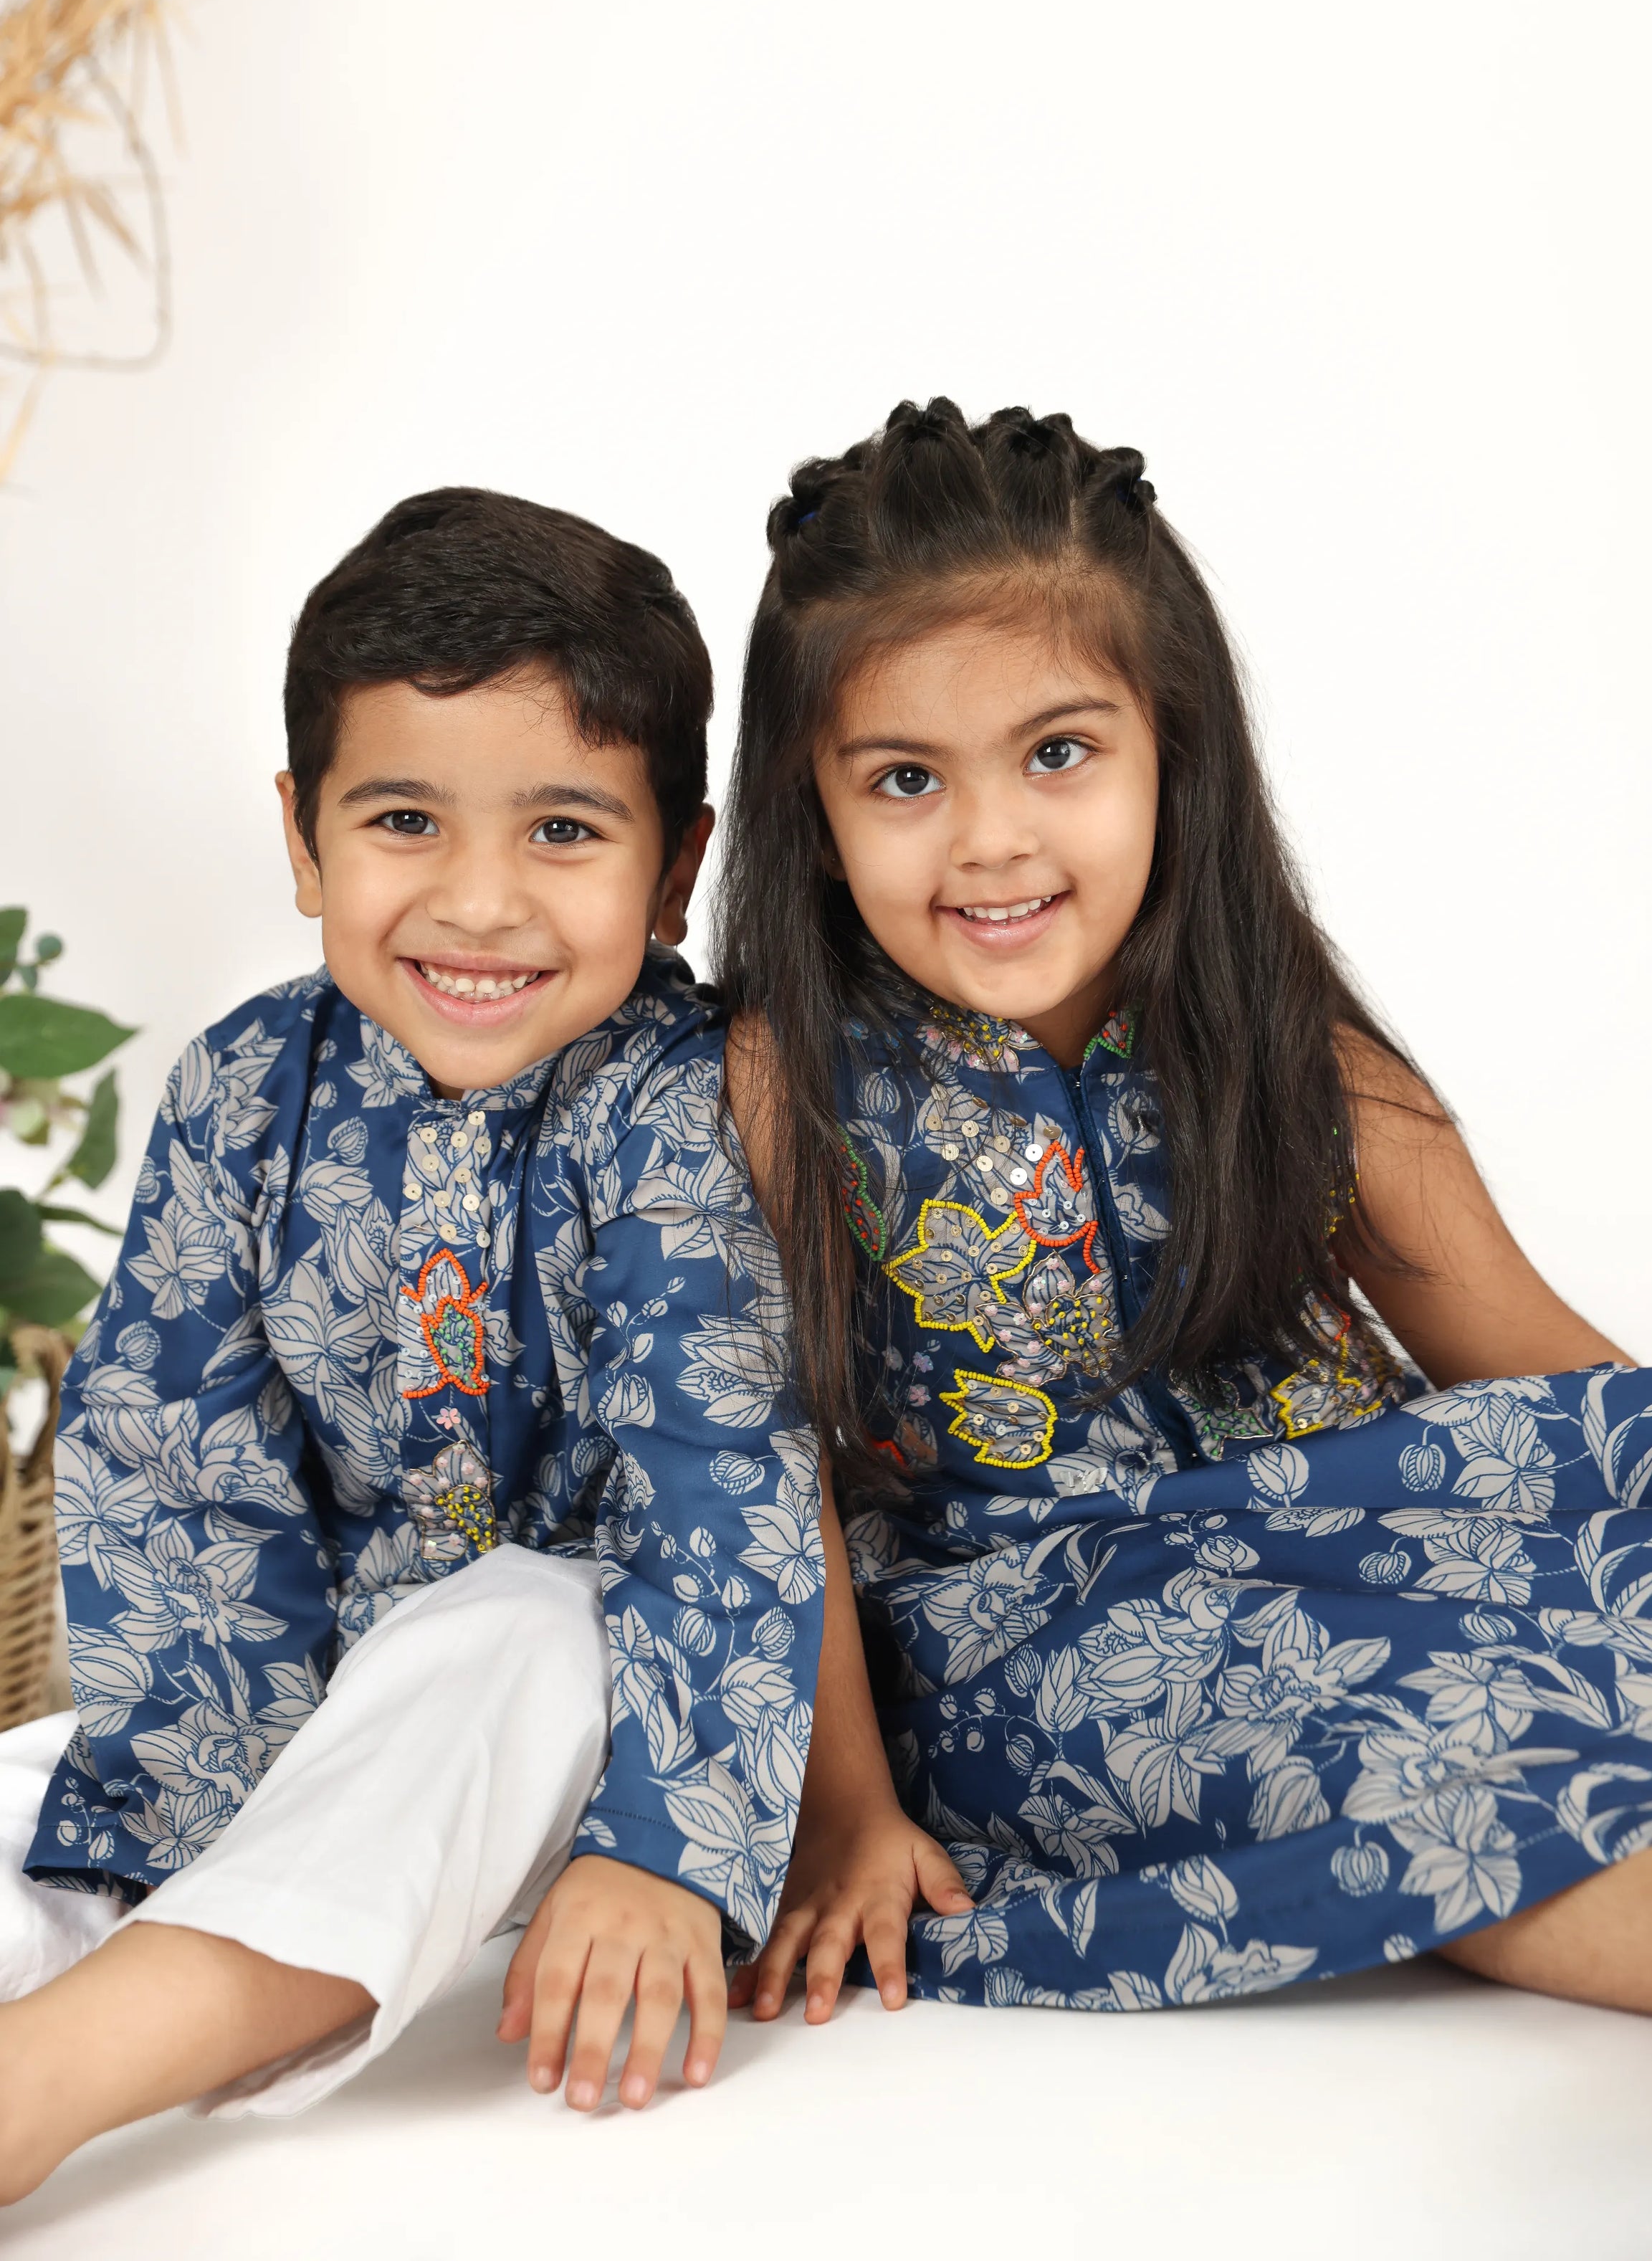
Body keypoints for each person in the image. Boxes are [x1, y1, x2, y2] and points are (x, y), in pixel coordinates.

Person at [713, 396, 1652, 2021]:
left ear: (1173, 747)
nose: (992, 838)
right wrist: (841, 1807)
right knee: (1404, 1736)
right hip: (1045, 1630)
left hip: (1371, 1528)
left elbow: (1564, 1389)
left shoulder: (1300, 1057)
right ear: (813, 803)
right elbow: (752, 1478)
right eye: (905, 779)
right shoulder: (773, 1089)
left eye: (1059, 753)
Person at [0, 488, 822, 2204]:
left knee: (514, 1621)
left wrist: (668, 1853)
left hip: (591, 1697)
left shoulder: (682, 1104)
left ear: (677, 865)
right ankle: (158, 1916)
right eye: (401, 820)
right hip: (300, 1698)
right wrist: (192, 1795)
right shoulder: (244, 1088)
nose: (478, 903)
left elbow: (723, 1489)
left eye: (564, 834)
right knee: (36, 1786)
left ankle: (51, 2084)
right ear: (302, 838)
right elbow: (168, 1455)